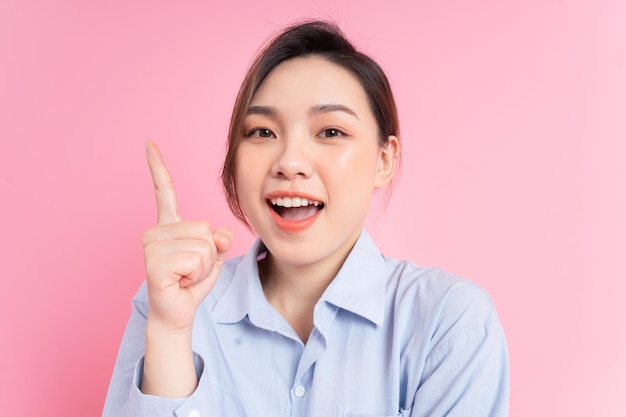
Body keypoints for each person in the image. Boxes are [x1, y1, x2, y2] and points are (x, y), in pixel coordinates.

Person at [102, 20, 509, 417]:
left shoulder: (447, 320)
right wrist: (172, 336)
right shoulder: (172, 303)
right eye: (262, 132)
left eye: (330, 132)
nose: (290, 162)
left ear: (384, 160)